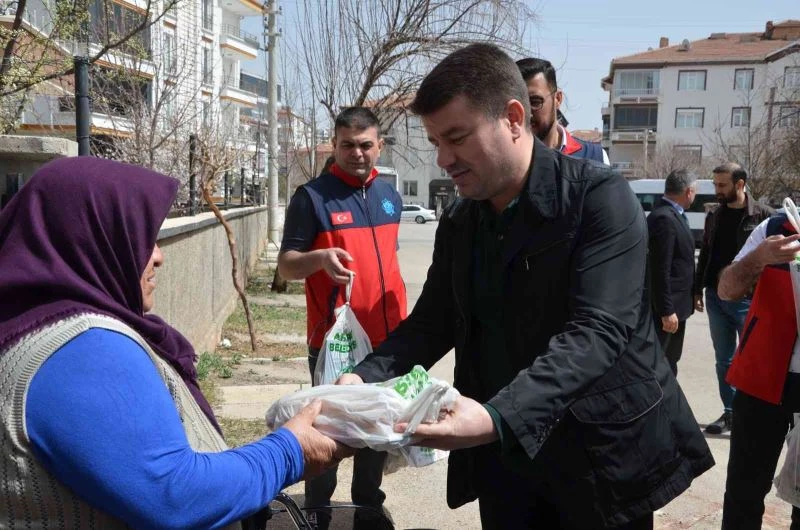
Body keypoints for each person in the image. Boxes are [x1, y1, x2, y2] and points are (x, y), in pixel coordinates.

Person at [339, 43, 713, 529]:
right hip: (508, 459)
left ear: (514, 118)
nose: (443, 159)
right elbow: (433, 323)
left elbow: (597, 332)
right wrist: (362, 378)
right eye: (435, 142)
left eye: (456, 137)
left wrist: (495, 416)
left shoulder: (598, 199)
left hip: (600, 457)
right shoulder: (461, 220)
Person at [0, 157, 349, 529]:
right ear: (90, 240)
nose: (160, 256)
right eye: (143, 238)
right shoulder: (80, 351)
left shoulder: (40, 323)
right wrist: (288, 452)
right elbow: (176, 496)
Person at [277, 106, 407, 528]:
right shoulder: (312, 197)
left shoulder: (391, 197)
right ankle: (318, 513)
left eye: (365, 145)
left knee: (376, 429)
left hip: (388, 341)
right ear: (334, 145)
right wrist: (318, 258)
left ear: (379, 146)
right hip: (336, 342)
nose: (357, 153)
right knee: (329, 433)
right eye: (347, 145)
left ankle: (368, 508)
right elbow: (286, 266)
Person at [716, 213, 800, 529]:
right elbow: (726, 289)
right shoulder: (776, 229)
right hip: (761, 380)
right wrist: (759, 258)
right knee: (743, 491)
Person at [694, 162, 773, 434]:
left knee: (753, 358)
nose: (716, 190)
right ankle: (730, 414)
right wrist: (698, 289)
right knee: (724, 360)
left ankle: (751, 417)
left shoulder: (765, 216)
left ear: (740, 184)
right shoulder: (714, 216)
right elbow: (706, 254)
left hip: (750, 300)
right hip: (716, 299)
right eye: (715, 184)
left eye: (722, 185)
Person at [647, 169, 698, 375]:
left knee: (669, 361)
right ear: (688, 192)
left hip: (678, 306)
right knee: (662, 365)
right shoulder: (664, 218)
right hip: (668, 311)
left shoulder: (674, 215)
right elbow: (660, 269)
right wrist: (666, 310)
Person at [516, 56, 609, 164]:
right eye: (518, 104)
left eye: (535, 102)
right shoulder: (501, 160)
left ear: (557, 99)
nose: (526, 112)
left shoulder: (594, 158)